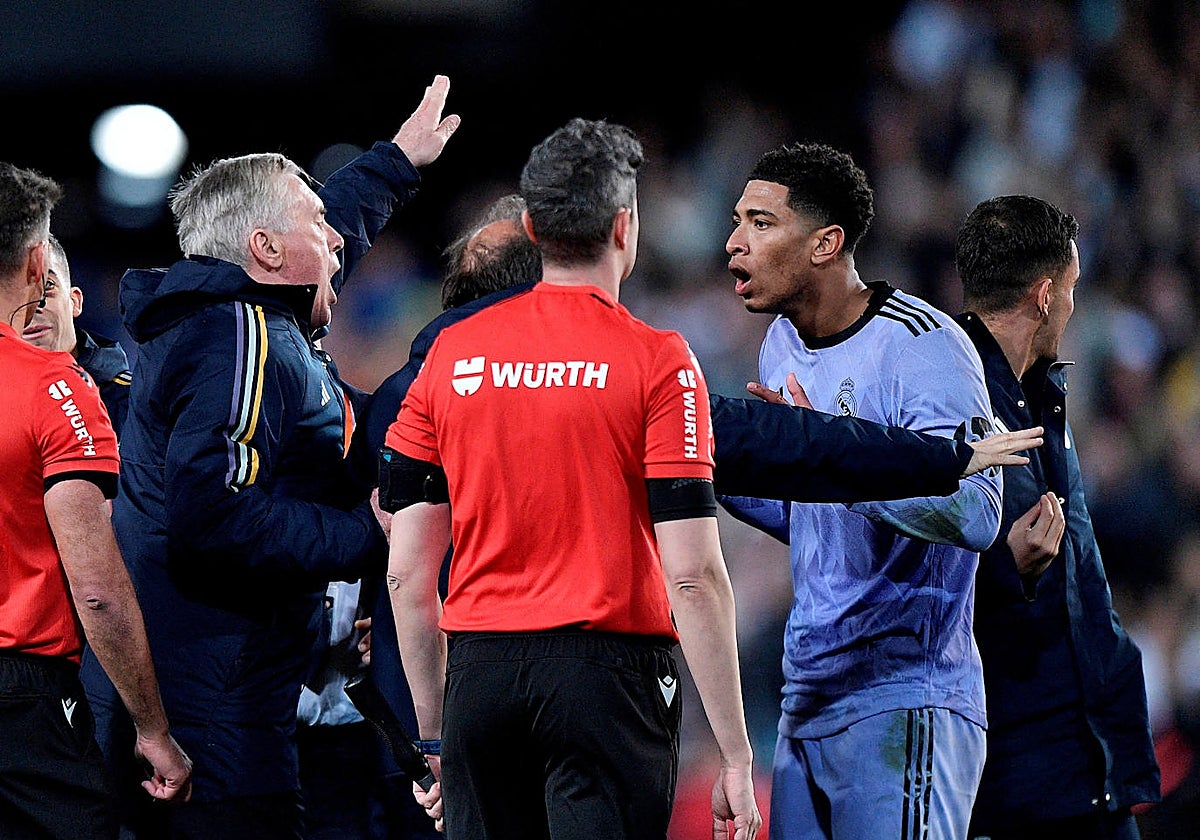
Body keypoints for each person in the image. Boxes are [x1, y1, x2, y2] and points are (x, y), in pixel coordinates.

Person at [80, 76, 459, 840]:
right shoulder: (243, 337)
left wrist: (394, 163)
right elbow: (211, 515)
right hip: (220, 722)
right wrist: (365, 532)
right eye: (317, 221)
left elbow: (321, 246)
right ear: (264, 249)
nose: (335, 240)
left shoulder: (241, 319)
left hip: (214, 704)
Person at [380, 117, 762, 840]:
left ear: (531, 225)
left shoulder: (450, 356)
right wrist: (736, 754)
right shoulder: (659, 361)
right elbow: (694, 576)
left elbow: (408, 574)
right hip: (607, 683)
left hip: (481, 681)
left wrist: (437, 739)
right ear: (626, 227)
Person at [720, 141, 1003, 840]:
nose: (733, 243)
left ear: (825, 244)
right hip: (807, 697)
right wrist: (726, 470)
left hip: (905, 695)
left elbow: (977, 512)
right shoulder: (782, 343)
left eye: (760, 223)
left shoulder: (924, 345)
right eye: (737, 220)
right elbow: (815, 518)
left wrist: (831, 452)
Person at [953, 195, 1161, 839]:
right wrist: (1003, 569)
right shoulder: (945, 400)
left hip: (1089, 759)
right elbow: (904, 577)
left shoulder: (1044, 394)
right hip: (1020, 774)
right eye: (1071, 290)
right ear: (1045, 295)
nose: (1073, 306)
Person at [0, 162, 191, 838]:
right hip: (27, 693)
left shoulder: (108, 391)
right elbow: (100, 591)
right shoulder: (54, 390)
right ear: (30, 263)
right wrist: (154, 727)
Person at [20, 233, 133, 433]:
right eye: (17, 296)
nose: (32, 306)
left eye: (47, 287)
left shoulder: (139, 404)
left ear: (75, 301)